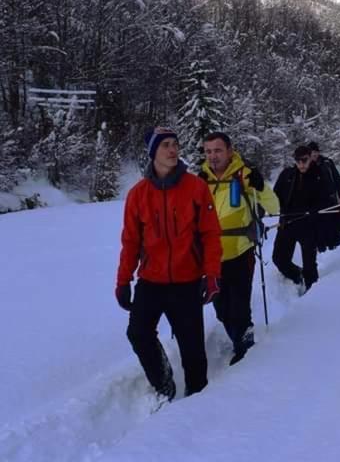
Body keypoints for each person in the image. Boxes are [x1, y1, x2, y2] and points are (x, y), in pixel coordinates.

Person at [116, 127, 222, 401]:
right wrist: (123, 280)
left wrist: (211, 274)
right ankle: (163, 383)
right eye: (165, 145)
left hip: (187, 281)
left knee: (193, 349)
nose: (173, 149)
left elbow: (210, 233)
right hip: (151, 281)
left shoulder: (195, 187)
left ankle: (198, 398)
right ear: (153, 153)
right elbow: (130, 241)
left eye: (175, 144)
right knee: (138, 333)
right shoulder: (138, 194)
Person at [200, 132, 280, 366]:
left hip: (240, 251)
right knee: (220, 307)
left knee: (239, 305)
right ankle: (238, 337)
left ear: (229, 150)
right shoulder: (201, 179)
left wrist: (260, 185)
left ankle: (245, 351)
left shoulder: (244, 175)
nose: (213, 156)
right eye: (208, 151)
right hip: (212, 255)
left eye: (218, 150)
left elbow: (274, 205)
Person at [272, 146, 322, 293]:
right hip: (287, 223)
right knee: (279, 258)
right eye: (298, 161)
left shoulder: (318, 175)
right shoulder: (287, 174)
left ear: (310, 158)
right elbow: (275, 197)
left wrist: (315, 210)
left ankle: (313, 292)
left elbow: (327, 199)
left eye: (304, 160)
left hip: (308, 226)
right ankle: (296, 275)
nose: (301, 164)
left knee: (310, 265)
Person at [308, 141, 340, 252]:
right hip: (315, 200)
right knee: (317, 224)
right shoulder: (307, 165)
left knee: (331, 221)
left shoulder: (327, 162)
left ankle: (333, 244)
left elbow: (336, 178)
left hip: (330, 197)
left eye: (315, 152)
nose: (314, 154)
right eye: (311, 152)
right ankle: (320, 246)